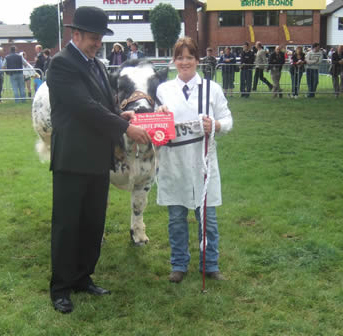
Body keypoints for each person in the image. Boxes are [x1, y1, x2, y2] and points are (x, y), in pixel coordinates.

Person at [46, 6, 151, 314]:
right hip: (71, 159)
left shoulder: (97, 65)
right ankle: (61, 288)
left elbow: (103, 105)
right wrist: (125, 126)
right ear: (75, 34)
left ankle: (82, 277)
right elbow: (84, 107)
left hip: (97, 158)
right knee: (67, 225)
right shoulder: (61, 64)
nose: (96, 43)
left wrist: (122, 113)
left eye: (100, 38)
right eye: (92, 38)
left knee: (93, 223)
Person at [155, 37, 233, 284]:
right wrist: (159, 116)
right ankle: (179, 264)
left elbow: (228, 120)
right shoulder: (164, 89)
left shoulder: (213, 89)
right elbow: (158, 128)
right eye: (180, 57)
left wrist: (216, 125)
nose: (184, 62)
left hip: (203, 163)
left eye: (189, 57)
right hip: (174, 163)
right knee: (176, 217)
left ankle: (210, 264)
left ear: (197, 60)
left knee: (207, 218)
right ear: (174, 61)